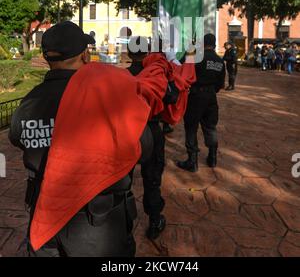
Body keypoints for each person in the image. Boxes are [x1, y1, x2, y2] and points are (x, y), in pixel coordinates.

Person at [9, 21, 167, 257]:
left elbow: (17, 137)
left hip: (45, 216)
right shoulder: (110, 97)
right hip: (99, 225)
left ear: (46, 57)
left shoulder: (30, 101)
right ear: (84, 55)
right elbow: (144, 149)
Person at [127, 36, 166, 240]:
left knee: (124, 177)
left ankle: (123, 222)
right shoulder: (157, 75)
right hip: (152, 129)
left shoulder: (123, 77)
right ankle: (154, 221)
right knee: (152, 178)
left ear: (129, 53)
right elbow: (170, 99)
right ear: (148, 52)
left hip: (130, 132)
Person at [176, 34, 225, 172]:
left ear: (203, 43)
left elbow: (182, 68)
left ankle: (192, 161)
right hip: (211, 97)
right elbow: (220, 84)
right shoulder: (220, 61)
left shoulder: (196, 56)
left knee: (191, 126)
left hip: (196, 96)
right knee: (210, 127)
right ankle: (212, 158)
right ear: (214, 44)